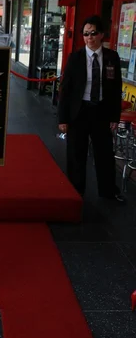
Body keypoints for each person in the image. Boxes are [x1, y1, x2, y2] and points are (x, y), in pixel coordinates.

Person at [58, 14, 124, 203]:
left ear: (101, 34)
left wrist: (114, 116)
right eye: (86, 34)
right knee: (76, 153)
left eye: (93, 33)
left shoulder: (112, 57)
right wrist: (62, 119)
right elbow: (66, 89)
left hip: (101, 111)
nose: (89, 37)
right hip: (79, 112)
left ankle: (108, 191)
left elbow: (115, 88)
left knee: (104, 153)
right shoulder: (75, 58)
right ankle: (76, 191)